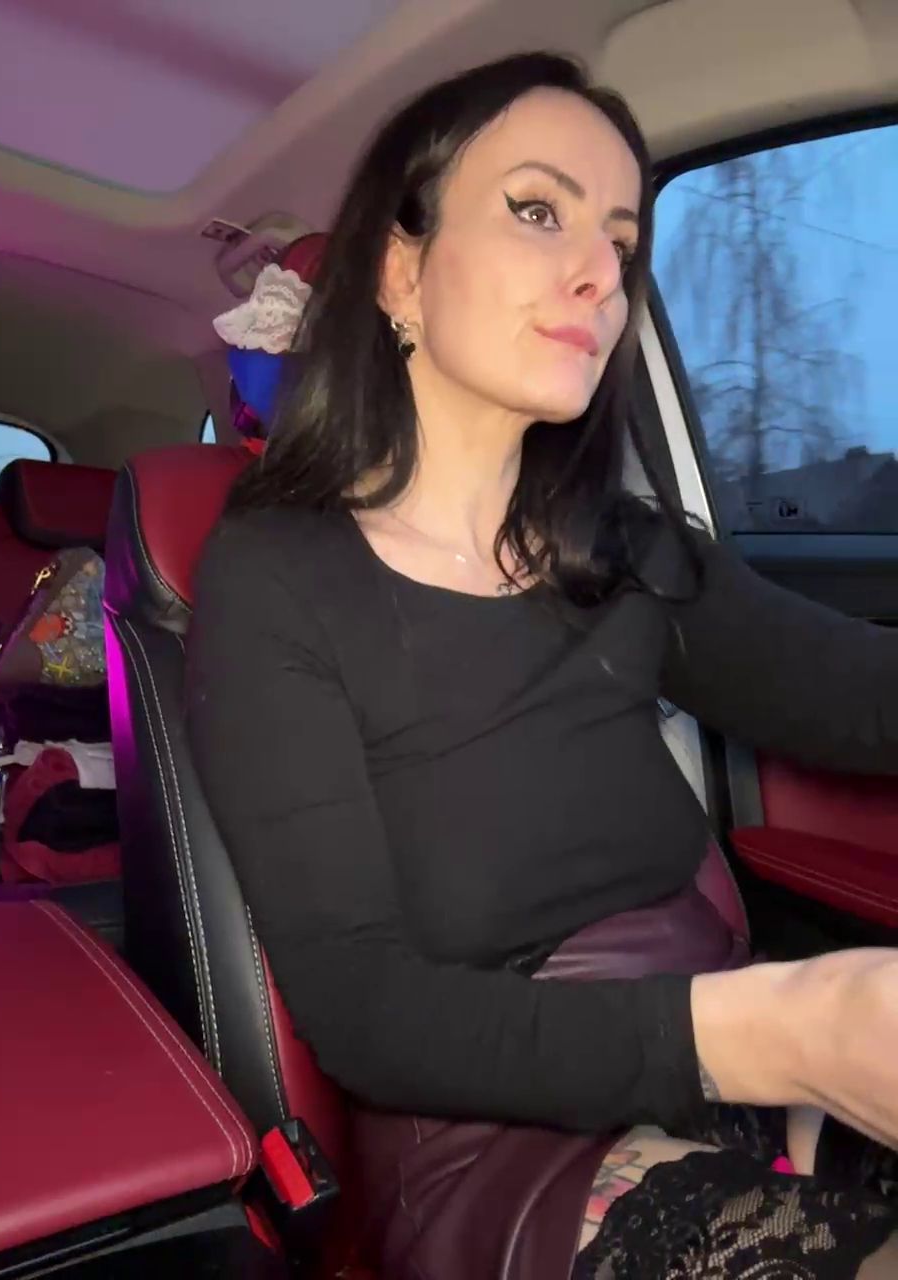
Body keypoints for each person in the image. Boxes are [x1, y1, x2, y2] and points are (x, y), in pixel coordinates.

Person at [186, 53, 898, 1279]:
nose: (601, 276)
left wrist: (779, 1033)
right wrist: (782, 1028)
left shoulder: (622, 551)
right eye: (536, 209)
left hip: (727, 1038)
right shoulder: (276, 579)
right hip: (500, 1136)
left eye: (620, 240)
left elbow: (867, 696)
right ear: (400, 271)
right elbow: (365, 1009)